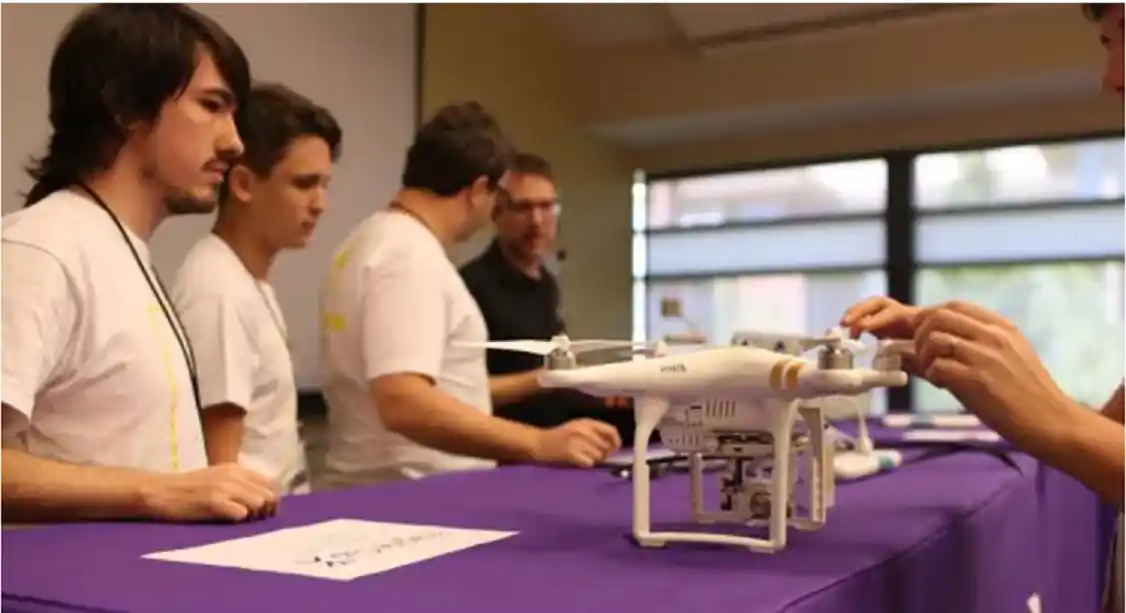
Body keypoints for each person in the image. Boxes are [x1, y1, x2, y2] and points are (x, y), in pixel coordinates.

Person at [1, 4, 278, 523]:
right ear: (124, 105)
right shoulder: (39, 251)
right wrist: (157, 492)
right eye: (211, 106)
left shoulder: (120, 250)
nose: (234, 142)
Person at [318, 102, 622, 488]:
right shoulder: (409, 256)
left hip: (394, 491)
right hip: (414, 496)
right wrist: (538, 442)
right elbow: (403, 402)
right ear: (479, 190)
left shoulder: (365, 241)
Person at [172, 83, 342, 495]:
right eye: (304, 184)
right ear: (244, 184)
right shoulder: (219, 290)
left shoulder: (247, 281)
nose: (320, 203)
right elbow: (220, 467)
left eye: (324, 185)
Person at [459, 152, 638, 444]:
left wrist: (600, 389)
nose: (537, 221)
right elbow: (460, 393)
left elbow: (556, 374)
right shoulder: (469, 287)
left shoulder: (546, 284)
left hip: (556, 441)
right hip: (506, 452)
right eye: (523, 208)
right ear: (497, 214)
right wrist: (543, 378)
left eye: (546, 206)